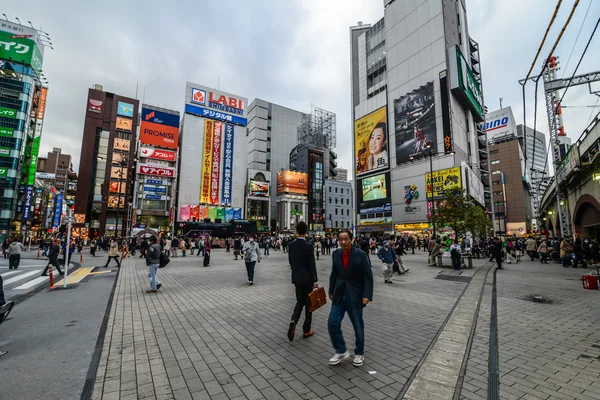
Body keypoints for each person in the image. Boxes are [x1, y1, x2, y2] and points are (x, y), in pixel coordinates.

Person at [327, 229, 373, 367]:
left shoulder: (361, 255)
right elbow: (334, 273)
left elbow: (367, 276)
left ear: (351, 239)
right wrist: (331, 290)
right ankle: (340, 350)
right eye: (340, 239)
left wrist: (367, 295)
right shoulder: (336, 254)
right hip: (339, 293)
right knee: (332, 322)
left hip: (355, 295)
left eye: (346, 239)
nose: (343, 242)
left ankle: (359, 352)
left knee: (358, 325)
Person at [287, 222, 318, 341]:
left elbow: (291, 261)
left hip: (296, 278)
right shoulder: (308, 246)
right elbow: (312, 264)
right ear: (306, 231)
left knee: (299, 301)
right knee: (309, 304)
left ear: (296, 231)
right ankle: (306, 330)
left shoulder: (291, 245)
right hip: (307, 279)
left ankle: (293, 320)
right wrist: (315, 279)